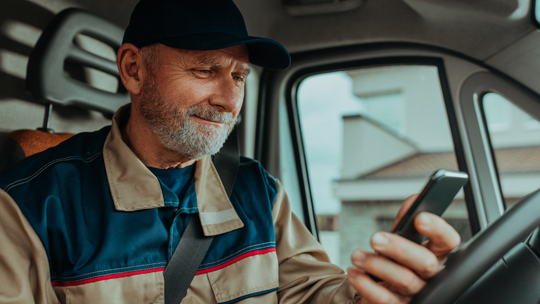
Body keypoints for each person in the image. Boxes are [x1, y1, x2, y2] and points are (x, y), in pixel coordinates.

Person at [0, 0, 460, 303]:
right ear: (134, 69)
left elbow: (313, 294)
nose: (228, 99)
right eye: (205, 69)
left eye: (239, 76)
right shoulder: (29, 205)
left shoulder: (257, 190)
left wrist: (380, 288)